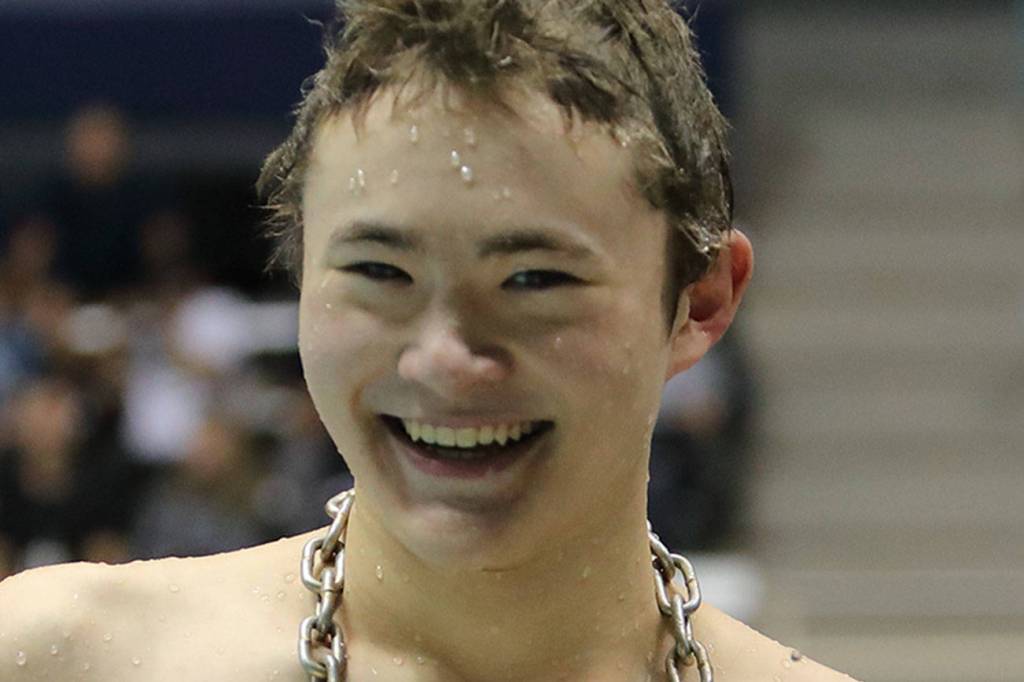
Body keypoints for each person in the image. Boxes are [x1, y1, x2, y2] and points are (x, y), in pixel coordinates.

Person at [0, 1, 857, 680]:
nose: (444, 359)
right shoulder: (61, 656)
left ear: (700, 299)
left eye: (534, 281)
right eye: (380, 274)